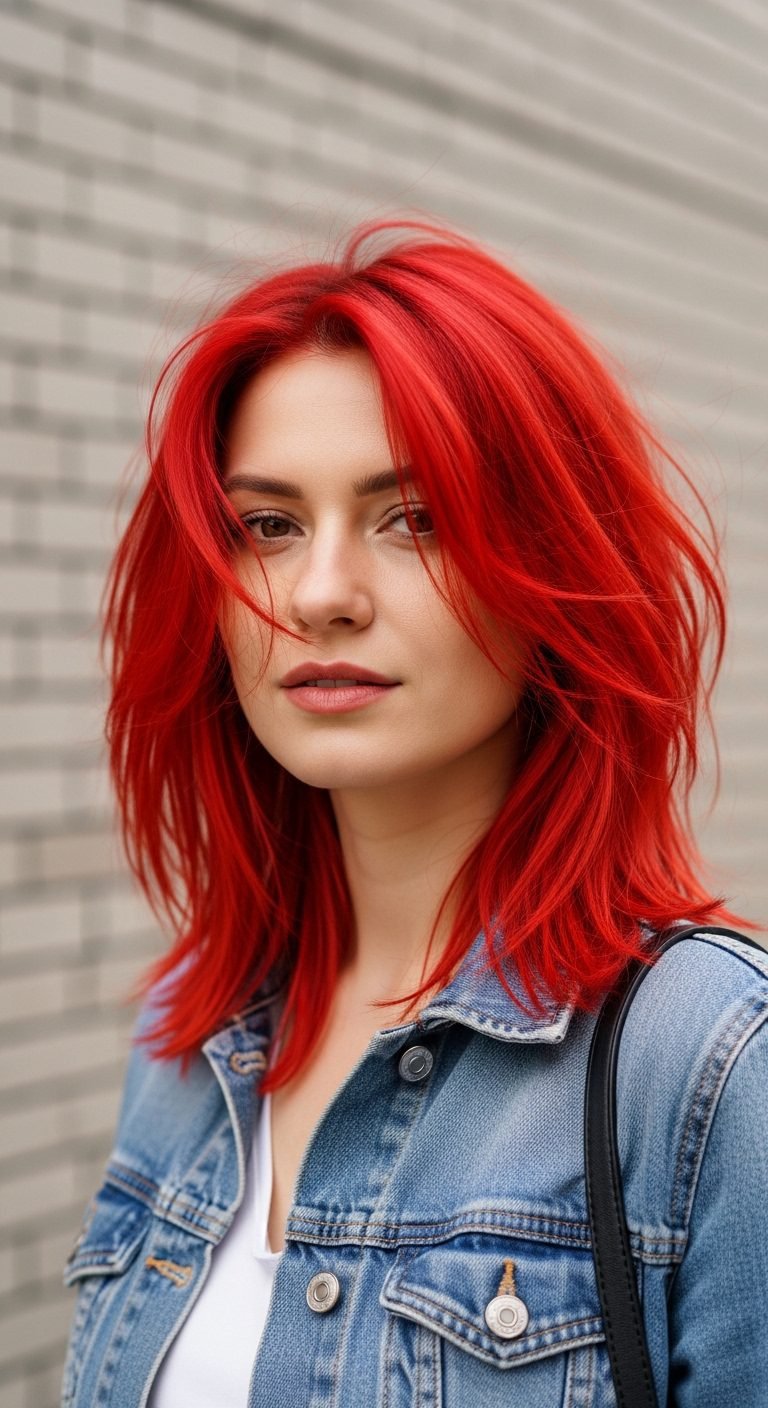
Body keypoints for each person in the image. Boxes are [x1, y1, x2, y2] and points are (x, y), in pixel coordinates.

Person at [59, 215, 768, 1408]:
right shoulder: (189, 1043)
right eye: (268, 526)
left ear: (554, 568)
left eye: (415, 518)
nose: (323, 594)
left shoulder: (706, 1067)